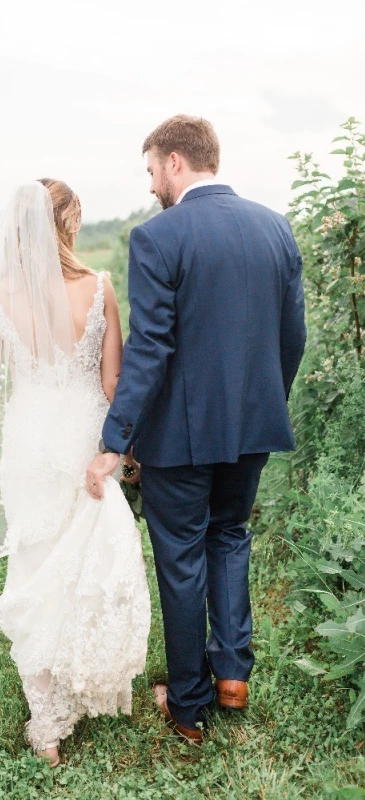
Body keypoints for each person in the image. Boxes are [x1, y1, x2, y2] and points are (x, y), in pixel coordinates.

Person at [86, 114, 307, 745]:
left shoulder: (157, 237)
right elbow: (292, 336)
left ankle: (187, 705)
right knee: (230, 534)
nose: (151, 180)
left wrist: (114, 438)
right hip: (254, 422)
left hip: (179, 438)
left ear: (176, 162)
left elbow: (151, 348)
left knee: (180, 557)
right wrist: (268, 398)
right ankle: (232, 672)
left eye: (152, 167)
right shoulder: (276, 228)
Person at [0, 179, 151, 767]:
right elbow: (112, 385)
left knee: (33, 571)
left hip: (29, 442)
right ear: (67, 225)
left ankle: (47, 725)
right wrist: (125, 453)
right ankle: (80, 684)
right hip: (83, 438)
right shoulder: (99, 288)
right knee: (84, 563)